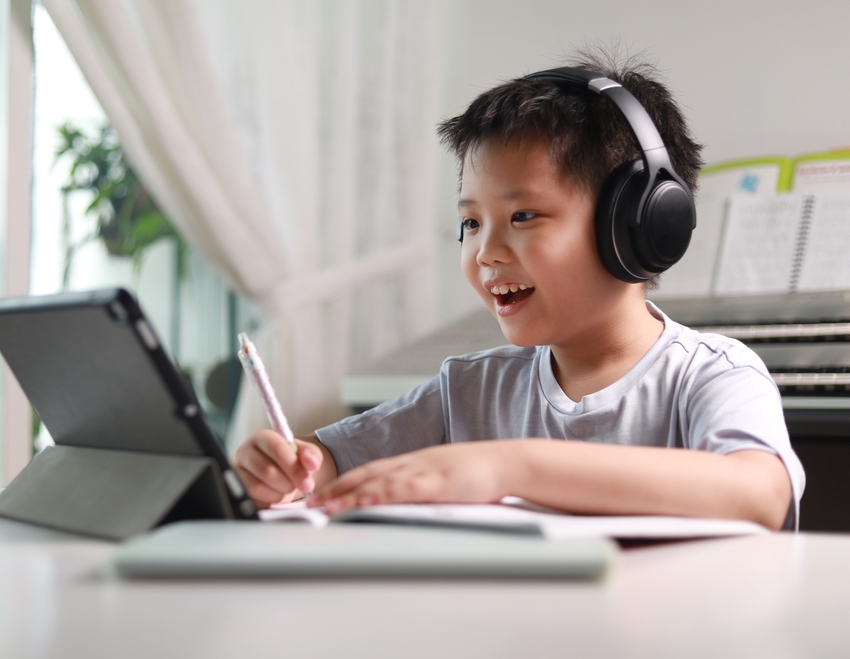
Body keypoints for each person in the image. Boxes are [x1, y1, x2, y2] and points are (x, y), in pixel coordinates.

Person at [232, 52, 805, 530]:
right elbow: (329, 462)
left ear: (638, 224)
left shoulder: (712, 376)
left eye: (524, 215)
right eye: (472, 223)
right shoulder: (469, 390)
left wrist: (510, 467)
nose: (485, 253)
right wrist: (286, 464)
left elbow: (758, 492)